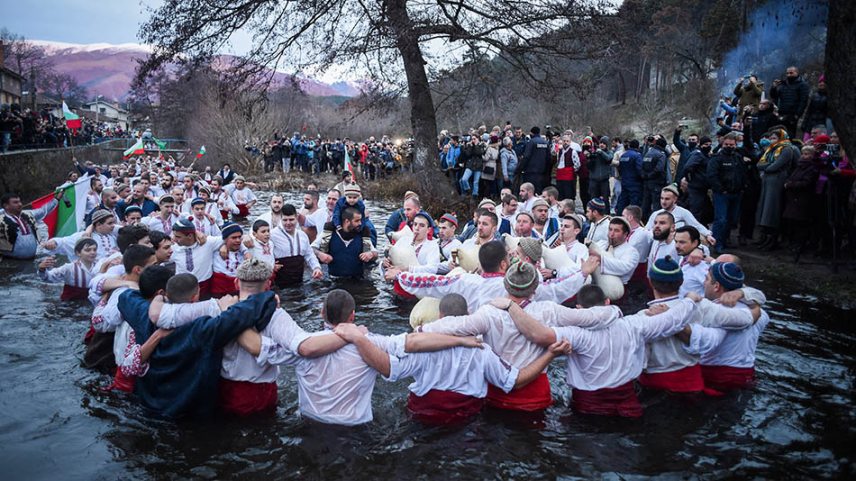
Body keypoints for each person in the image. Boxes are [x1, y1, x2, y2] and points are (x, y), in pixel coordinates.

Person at [419, 261, 616, 412]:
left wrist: (422, 330)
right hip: (536, 396)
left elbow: (456, 325)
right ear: (535, 289)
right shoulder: (549, 310)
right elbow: (589, 316)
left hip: (496, 394)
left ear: (506, 286)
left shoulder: (489, 311)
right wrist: (614, 311)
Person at [340, 296, 569, 425]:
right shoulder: (481, 350)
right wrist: (549, 354)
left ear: (440, 317)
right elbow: (515, 381)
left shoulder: (420, 346)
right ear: (468, 315)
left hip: (422, 419)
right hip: (465, 421)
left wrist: (359, 338)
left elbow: (389, 368)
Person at [497, 284, 696, 417]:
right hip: (628, 404)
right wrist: (690, 299)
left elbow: (537, 334)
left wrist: (510, 307)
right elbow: (673, 319)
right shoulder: (634, 325)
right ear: (608, 302)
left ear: (578, 309)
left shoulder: (575, 335)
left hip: (588, 407)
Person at [118, 281, 278, 419]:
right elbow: (239, 317)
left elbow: (125, 297)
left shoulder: (145, 316)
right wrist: (267, 297)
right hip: (186, 410)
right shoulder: (202, 330)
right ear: (196, 296)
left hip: (148, 405)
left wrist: (158, 300)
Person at [394, 240, 597, 309]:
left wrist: (400, 275)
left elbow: (430, 282)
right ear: (503, 264)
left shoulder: (465, 280)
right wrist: (582, 273)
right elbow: (556, 288)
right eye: (509, 258)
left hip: (481, 341)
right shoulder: (522, 286)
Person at [677, 262, 770, 392]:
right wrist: (743, 293)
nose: (703, 283)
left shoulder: (716, 313)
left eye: (707, 279)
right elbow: (758, 298)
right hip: (748, 373)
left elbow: (699, 340)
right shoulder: (761, 313)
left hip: (716, 378)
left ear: (716, 286)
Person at [87, 245, 158, 373]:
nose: (156, 268)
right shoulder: (123, 293)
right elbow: (105, 323)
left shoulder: (130, 283)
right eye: (153, 265)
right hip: (107, 354)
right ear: (138, 269)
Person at [756, 128, 800, 250]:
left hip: (778, 182)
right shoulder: (770, 150)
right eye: (770, 138)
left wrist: (767, 167)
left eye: (774, 138)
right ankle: (765, 237)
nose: (772, 141)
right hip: (767, 182)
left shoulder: (787, 149)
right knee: (765, 210)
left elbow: (775, 166)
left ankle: (772, 239)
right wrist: (767, 166)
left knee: (772, 210)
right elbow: (759, 164)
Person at [707, 133, 746, 254]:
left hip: (736, 193)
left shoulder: (738, 158)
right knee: (721, 219)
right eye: (726, 144)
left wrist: (743, 186)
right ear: (722, 144)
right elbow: (712, 176)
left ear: (736, 144)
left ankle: (725, 241)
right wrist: (720, 189)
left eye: (732, 144)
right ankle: (717, 244)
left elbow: (742, 173)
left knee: (732, 219)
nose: (729, 146)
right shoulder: (716, 159)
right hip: (722, 194)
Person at [313, 206, 377, 278]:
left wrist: (370, 254)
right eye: (357, 221)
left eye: (360, 220)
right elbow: (311, 249)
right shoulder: (329, 233)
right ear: (347, 221)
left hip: (357, 279)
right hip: (333, 278)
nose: (360, 223)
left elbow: (375, 254)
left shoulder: (363, 234)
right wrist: (320, 254)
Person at [170, 218, 224, 299]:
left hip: (204, 288)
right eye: (174, 235)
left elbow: (229, 237)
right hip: (182, 289)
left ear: (190, 236)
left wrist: (224, 246)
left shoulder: (208, 243)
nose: (174, 239)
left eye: (178, 237)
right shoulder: (173, 248)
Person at [270, 204, 323, 287]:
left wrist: (316, 268)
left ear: (296, 218)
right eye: (285, 220)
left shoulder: (302, 235)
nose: (288, 223)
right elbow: (261, 250)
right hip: (278, 283)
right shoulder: (272, 235)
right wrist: (270, 265)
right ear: (281, 219)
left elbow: (309, 254)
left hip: (299, 280)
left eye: (291, 219)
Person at [646, 184, 715, 246]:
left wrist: (708, 235)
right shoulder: (656, 214)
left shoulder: (683, 212)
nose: (663, 202)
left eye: (667, 199)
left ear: (675, 199)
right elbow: (647, 230)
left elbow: (696, 225)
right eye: (662, 198)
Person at [0, 191, 59, 259]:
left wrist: (56, 199)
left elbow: (43, 211)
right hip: (10, 262)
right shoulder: (1, 220)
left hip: (31, 259)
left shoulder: (28, 214)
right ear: (6, 206)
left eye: (19, 201)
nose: (20, 204)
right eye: (15, 202)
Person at [42, 209, 119, 261]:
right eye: (110, 223)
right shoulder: (83, 236)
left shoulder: (113, 235)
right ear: (98, 224)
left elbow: (127, 229)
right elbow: (63, 242)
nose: (113, 225)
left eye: (113, 223)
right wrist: (53, 242)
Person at [590, 217, 640, 285]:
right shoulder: (601, 243)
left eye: (616, 231)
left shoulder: (632, 252)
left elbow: (624, 267)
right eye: (610, 229)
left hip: (616, 290)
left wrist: (601, 259)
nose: (611, 234)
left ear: (625, 234)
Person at [210, 223, 250, 298]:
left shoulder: (244, 251)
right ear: (225, 239)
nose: (238, 240)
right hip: (219, 290)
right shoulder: (215, 250)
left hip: (238, 289)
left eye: (239, 237)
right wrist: (223, 245)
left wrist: (245, 251)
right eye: (234, 238)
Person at [769, 66, 809, 138]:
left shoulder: (802, 85)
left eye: (791, 73)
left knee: (790, 136)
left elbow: (803, 101)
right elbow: (774, 96)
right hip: (781, 114)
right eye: (787, 73)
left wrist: (797, 115)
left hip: (792, 115)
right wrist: (774, 87)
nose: (789, 75)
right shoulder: (783, 85)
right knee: (779, 134)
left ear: (797, 73)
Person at [674, 226, 708, 297]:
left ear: (695, 243)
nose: (677, 246)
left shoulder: (701, 266)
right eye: (676, 241)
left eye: (682, 242)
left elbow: (715, 291)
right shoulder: (682, 258)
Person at [622, 205, 653, 283]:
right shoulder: (625, 232)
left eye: (623, 216)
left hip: (638, 270)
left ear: (630, 217)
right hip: (624, 267)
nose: (621, 218)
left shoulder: (645, 233)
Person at [640, 137, 669, 221]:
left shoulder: (648, 153)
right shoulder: (661, 154)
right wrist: (650, 175)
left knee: (645, 203)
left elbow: (642, 167)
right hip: (657, 182)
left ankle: (642, 221)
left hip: (646, 182)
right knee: (656, 204)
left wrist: (645, 176)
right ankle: (656, 222)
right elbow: (659, 169)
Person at [519, 126, 550, 193]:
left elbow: (526, 156)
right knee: (539, 192)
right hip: (542, 173)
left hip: (530, 173)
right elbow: (548, 158)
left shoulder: (531, 142)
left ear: (531, 133)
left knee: (530, 192)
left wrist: (520, 168)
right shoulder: (545, 143)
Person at [616, 139, 643, 213]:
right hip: (635, 183)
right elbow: (639, 169)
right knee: (635, 204)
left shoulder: (623, 155)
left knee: (623, 201)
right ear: (637, 147)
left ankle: (619, 217)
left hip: (624, 181)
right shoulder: (637, 156)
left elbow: (619, 168)